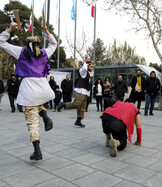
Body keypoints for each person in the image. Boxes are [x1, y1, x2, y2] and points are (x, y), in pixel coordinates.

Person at [0, 22, 56, 160]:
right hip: (43, 88)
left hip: (29, 88)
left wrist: (10, 29)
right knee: (37, 103)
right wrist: (47, 33)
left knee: (31, 120)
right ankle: (45, 115)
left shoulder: (21, 51)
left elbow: (1, 42)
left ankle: (37, 151)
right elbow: (53, 44)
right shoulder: (44, 53)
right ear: (38, 44)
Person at [57, 61, 95, 128]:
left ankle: (78, 121)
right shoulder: (83, 72)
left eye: (93, 67)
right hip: (81, 91)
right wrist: (85, 64)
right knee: (77, 104)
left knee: (82, 107)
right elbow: (84, 69)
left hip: (86, 92)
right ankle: (63, 104)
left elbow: (92, 73)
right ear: (87, 66)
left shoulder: (89, 73)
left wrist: (89, 65)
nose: (92, 68)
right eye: (91, 66)